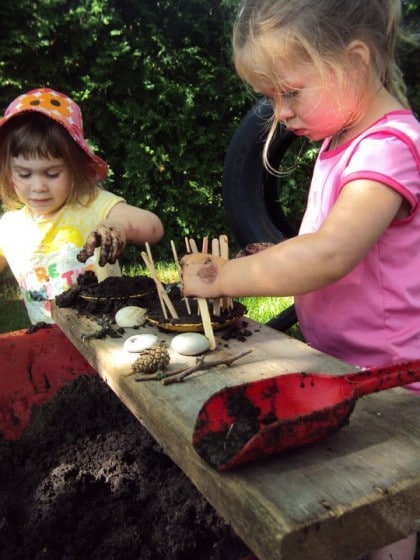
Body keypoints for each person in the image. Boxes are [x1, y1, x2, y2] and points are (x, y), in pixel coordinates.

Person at [181, 1, 419, 559]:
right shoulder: (341, 141)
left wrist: (226, 278)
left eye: (290, 92)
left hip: (399, 382)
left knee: (381, 514)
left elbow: (332, 253)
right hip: (346, 371)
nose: (279, 112)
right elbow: (331, 245)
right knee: (342, 510)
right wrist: (281, 254)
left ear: (355, 62)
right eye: (269, 98)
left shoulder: (391, 147)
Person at [0, 88, 164, 324]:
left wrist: (117, 225)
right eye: (24, 174)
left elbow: (153, 228)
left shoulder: (93, 205)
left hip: (105, 337)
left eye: (52, 173)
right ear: (8, 174)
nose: (38, 186)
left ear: (76, 169)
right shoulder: (10, 228)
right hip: (47, 342)